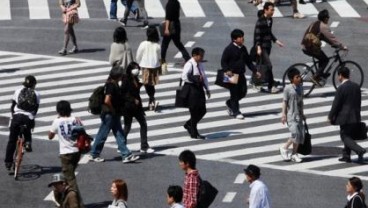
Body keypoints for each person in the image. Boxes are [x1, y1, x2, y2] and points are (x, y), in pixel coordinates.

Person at [88, 66, 140, 163]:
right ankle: (94, 153)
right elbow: (107, 100)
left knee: (119, 133)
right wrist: (112, 110)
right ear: (118, 76)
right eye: (121, 75)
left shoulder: (111, 83)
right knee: (103, 134)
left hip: (113, 114)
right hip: (110, 114)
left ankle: (126, 154)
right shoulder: (111, 85)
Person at [48, 100, 84, 207]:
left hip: (65, 153)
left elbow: (50, 136)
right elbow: (82, 132)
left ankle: (78, 204)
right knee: (70, 176)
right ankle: (67, 200)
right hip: (77, 152)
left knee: (71, 181)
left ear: (58, 111)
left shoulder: (57, 121)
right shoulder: (75, 120)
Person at [328, 67, 366, 163]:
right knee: (348, 135)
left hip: (344, 116)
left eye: (338, 75)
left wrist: (330, 116)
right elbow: (359, 102)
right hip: (355, 115)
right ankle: (346, 156)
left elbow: (336, 104)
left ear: (340, 75)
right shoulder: (356, 86)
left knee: (344, 136)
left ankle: (359, 150)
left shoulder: (341, 88)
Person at [221, 29, 260, 120]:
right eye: (240, 37)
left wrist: (255, 71)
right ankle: (236, 111)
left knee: (243, 92)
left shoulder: (243, 48)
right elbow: (223, 61)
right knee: (234, 94)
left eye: (242, 36)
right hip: (231, 75)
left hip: (241, 74)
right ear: (234, 39)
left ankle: (230, 103)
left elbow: (248, 61)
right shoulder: (229, 49)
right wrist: (226, 70)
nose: (242, 38)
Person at [301, 9, 347, 84]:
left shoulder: (315, 23)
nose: (328, 19)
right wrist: (342, 46)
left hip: (305, 45)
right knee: (325, 60)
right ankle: (315, 77)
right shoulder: (323, 26)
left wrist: (334, 45)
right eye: (328, 17)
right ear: (325, 18)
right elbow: (332, 38)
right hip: (310, 47)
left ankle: (319, 75)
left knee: (321, 58)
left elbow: (324, 38)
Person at [5, 75, 40, 170]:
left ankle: (8, 162)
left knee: (12, 140)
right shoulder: (36, 93)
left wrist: (13, 115)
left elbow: (13, 106)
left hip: (17, 117)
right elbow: (36, 108)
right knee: (28, 129)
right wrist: (32, 117)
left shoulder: (17, 91)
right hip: (28, 118)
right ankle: (28, 142)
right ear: (34, 84)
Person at [121, 62, 154, 154]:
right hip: (128, 107)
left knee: (143, 123)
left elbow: (135, 88)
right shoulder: (126, 79)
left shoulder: (134, 78)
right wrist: (132, 99)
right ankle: (122, 145)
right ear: (130, 70)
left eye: (138, 69)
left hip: (137, 107)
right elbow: (123, 93)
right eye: (136, 69)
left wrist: (143, 83)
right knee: (127, 126)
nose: (137, 71)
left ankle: (144, 146)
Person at [253, 2, 284, 94]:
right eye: (271, 10)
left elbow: (269, 32)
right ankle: (271, 86)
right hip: (262, 47)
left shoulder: (270, 20)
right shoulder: (260, 21)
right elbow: (257, 35)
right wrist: (258, 47)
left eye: (273, 10)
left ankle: (256, 82)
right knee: (268, 65)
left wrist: (276, 41)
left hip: (267, 45)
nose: (273, 11)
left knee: (261, 65)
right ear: (265, 10)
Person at [181, 47, 210, 139]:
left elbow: (204, 77)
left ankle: (189, 124)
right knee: (194, 112)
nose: (201, 58)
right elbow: (184, 76)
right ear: (194, 55)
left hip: (199, 89)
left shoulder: (200, 64)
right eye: (200, 56)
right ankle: (194, 133)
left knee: (203, 110)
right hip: (191, 89)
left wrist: (207, 88)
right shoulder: (190, 64)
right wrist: (195, 78)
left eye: (202, 56)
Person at [280, 68, 305, 163]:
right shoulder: (288, 88)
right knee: (295, 134)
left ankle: (294, 154)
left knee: (299, 136)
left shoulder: (301, 87)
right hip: (291, 115)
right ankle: (284, 147)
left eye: (299, 76)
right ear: (292, 79)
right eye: (297, 77)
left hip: (299, 115)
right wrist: (283, 114)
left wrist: (303, 113)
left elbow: (301, 102)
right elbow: (284, 102)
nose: (299, 78)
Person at [136, 26, 161, 111]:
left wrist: (138, 63)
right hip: (154, 67)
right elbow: (159, 57)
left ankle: (150, 99)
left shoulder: (143, 44)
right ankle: (151, 99)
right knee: (151, 84)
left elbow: (138, 56)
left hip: (145, 67)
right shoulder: (157, 46)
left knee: (145, 83)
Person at [161, 0, 191, 68]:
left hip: (170, 26)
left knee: (164, 44)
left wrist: (166, 29)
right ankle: (187, 57)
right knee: (178, 43)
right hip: (177, 24)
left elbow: (168, 18)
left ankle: (162, 59)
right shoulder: (177, 2)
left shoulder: (169, 4)